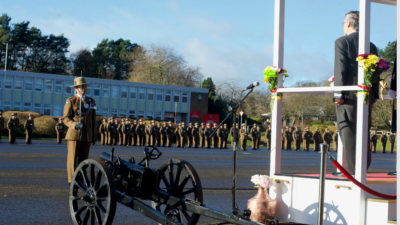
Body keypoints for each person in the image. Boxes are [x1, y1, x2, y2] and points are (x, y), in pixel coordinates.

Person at [333, 11, 378, 176]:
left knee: (348, 133)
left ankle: (352, 171)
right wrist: (374, 96)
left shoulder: (342, 42)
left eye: (344, 23)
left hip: (348, 96)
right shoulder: (371, 45)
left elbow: (341, 68)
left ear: (349, 24)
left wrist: (338, 93)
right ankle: (363, 167)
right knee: (363, 132)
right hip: (366, 96)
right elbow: (375, 73)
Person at [63, 77, 97, 186]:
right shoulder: (71, 101)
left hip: (87, 135)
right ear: (76, 88)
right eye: (81, 86)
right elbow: (65, 118)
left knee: (84, 160)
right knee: (72, 159)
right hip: (74, 134)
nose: (84, 88)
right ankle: (72, 181)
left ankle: (81, 180)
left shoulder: (91, 101)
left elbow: (93, 119)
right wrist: (74, 125)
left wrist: (94, 136)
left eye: (85, 86)